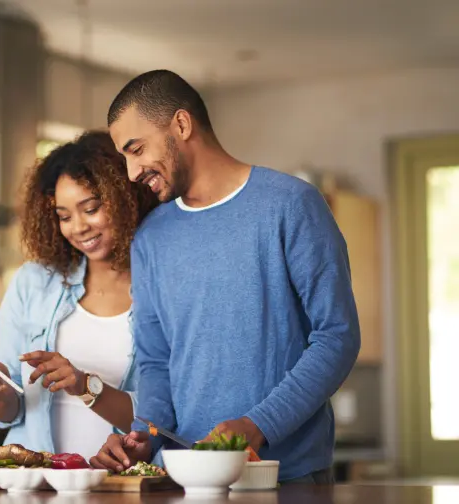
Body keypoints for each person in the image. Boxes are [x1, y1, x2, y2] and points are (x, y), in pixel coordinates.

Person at [90, 70, 361, 484]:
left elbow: (337, 336)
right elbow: (156, 361)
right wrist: (144, 434)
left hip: (287, 478)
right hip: (185, 480)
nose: (131, 172)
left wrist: (258, 425)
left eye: (136, 149)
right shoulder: (150, 239)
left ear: (181, 125)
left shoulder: (291, 206)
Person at [0, 130, 157, 459]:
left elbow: (159, 421)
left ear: (127, 197)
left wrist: (84, 385)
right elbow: (11, 410)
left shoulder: (162, 287)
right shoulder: (33, 283)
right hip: (37, 484)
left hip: (118, 483)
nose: (78, 227)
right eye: (64, 216)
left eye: (91, 209)